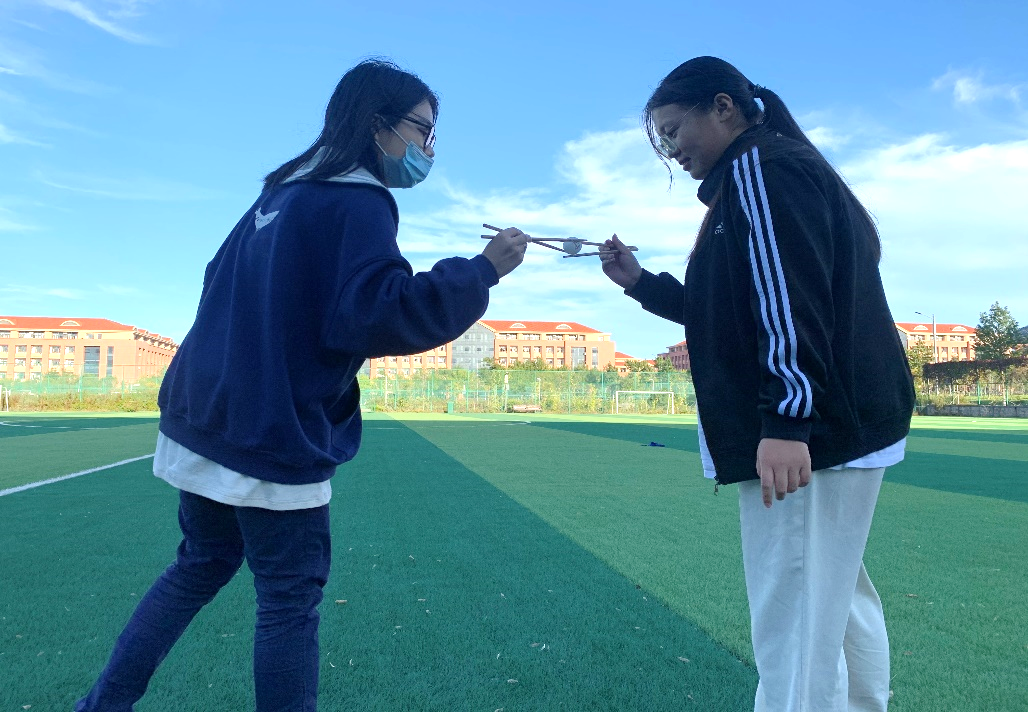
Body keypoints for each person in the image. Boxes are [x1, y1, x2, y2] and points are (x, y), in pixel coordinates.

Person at [74, 59, 528, 712]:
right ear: (377, 124)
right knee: (288, 598)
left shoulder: (281, 194)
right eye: (423, 130)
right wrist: (482, 270)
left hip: (203, 411)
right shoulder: (359, 200)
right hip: (269, 428)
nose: (430, 148)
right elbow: (379, 312)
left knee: (199, 564)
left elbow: (215, 281)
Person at [598, 56, 915, 711]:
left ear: (723, 107)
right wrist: (641, 284)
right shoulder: (766, 173)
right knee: (836, 601)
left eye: (673, 130)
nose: (670, 149)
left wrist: (787, 422)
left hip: (815, 434)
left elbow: (791, 304)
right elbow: (730, 310)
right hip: (840, 425)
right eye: (662, 139)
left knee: (794, 622)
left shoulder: (761, 173)